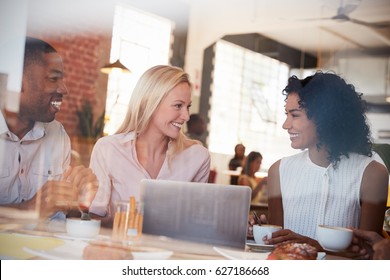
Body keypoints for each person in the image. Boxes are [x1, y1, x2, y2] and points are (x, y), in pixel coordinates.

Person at [264, 72, 388, 257]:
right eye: (286, 114)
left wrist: (311, 245)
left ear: (325, 116)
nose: (285, 124)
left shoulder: (372, 173)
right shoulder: (278, 171)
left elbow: (371, 255)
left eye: (295, 115)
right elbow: (276, 246)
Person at [89, 65, 211, 225]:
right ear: (150, 103)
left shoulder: (198, 157)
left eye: (187, 106)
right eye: (178, 105)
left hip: (170, 249)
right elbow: (95, 216)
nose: (186, 116)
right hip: (119, 246)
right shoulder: (108, 149)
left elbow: (196, 223)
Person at [0, 37, 98, 219]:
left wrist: (79, 200)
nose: (64, 89)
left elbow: (63, 217)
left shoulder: (57, 134)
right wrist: (28, 210)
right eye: (53, 79)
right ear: (17, 83)